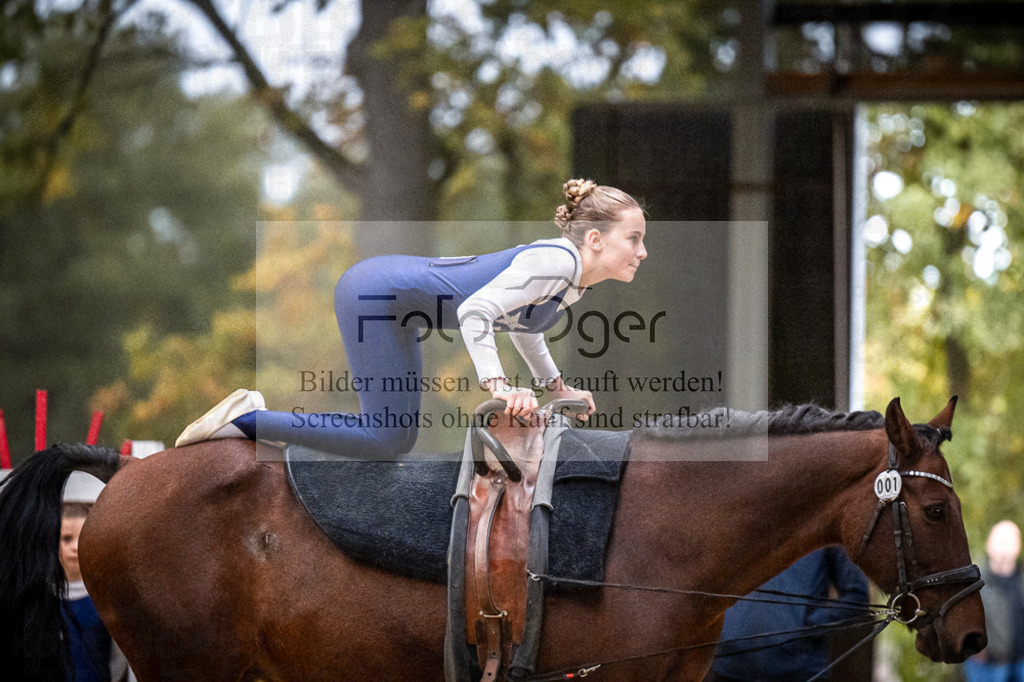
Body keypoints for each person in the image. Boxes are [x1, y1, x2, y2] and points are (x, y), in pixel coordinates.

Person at [175, 178, 647, 458]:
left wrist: (556, 388)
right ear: (595, 239)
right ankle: (250, 419)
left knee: (395, 439)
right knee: (386, 439)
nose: (642, 251)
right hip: (374, 294)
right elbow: (476, 311)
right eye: (634, 238)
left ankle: (265, 427)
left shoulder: (572, 279)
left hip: (396, 308)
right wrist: (500, 387)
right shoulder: (557, 263)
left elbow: (525, 328)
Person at [708, 546, 870, 682]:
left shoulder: (823, 525)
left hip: (799, 672)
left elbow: (857, 597)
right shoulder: (733, 523)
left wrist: (807, 625)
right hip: (729, 670)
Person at [60, 502, 131, 682]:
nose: (75, 547)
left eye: (83, 538)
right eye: (67, 539)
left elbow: (118, 659)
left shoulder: (106, 599)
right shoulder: (41, 599)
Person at [964, 520, 1024, 682]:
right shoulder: (974, 583)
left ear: (1018, 546)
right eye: (1000, 541)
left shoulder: (1021, 580)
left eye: (1010, 542)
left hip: (1021, 664)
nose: (1005, 548)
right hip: (987, 667)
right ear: (989, 544)